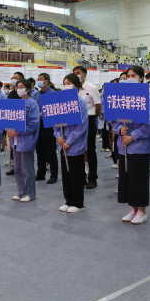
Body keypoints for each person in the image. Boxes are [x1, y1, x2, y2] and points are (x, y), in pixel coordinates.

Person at [115, 65, 150, 225]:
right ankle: (133, 208)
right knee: (127, 178)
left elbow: (149, 124)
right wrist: (119, 129)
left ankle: (142, 210)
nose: (129, 78)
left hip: (139, 146)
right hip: (123, 146)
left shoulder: (147, 98)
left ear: (141, 78)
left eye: (133, 75)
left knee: (139, 179)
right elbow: (114, 120)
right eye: (127, 76)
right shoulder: (120, 99)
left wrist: (133, 136)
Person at [54, 74, 89, 213]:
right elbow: (55, 123)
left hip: (75, 145)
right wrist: (58, 136)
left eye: (68, 83)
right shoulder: (60, 102)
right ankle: (68, 200)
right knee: (66, 174)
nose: (66, 86)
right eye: (64, 83)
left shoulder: (81, 102)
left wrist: (69, 141)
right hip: (62, 145)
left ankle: (78, 202)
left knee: (76, 174)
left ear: (76, 85)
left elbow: (81, 126)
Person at [8, 79, 39, 202]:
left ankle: (30, 193)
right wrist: (8, 129)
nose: (19, 89)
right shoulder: (17, 103)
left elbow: (33, 124)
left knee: (27, 169)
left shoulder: (32, 103)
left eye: (21, 87)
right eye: (17, 87)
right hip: (15, 141)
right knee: (18, 169)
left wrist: (18, 131)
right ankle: (21, 192)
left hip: (26, 140)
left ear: (28, 88)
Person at [73, 66, 101, 189]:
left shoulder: (91, 88)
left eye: (78, 73)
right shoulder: (72, 89)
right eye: (74, 73)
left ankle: (92, 178)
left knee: (90, 150)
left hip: (89, 119)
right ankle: (81, 176)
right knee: (78, 150)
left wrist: (94, 117)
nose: (76, 75)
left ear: (85, 74)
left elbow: (98, 105)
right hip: (76, 121)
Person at [34, 73, 59, 184]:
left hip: (49, 125)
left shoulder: (53, 94)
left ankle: (54, 175)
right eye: (38, 79)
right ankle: (41, 173)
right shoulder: (36, 94)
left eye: (41, 79)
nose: (39, 81)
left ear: (47, 81)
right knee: (39, 151)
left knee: (51, 151)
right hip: (38, 125)